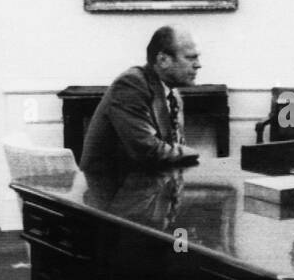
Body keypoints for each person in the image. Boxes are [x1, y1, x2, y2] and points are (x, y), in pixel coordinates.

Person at [80, 26, 202, 177]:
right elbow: (148, 150)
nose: (198, 65)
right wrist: (194, 153)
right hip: (111, 191)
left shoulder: (173, 94)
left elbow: (170, 152)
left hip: (146, 186)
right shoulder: (131, 84)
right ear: (163, 60)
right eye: (191, 58)